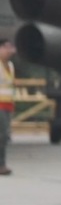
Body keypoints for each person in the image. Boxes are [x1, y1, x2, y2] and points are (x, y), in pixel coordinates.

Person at [0, 38, 16, 176]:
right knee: (2, 135)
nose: (10, 50)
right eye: (6, 47)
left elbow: (10, 86)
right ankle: (1, 165)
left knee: (5, 136)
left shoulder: (10, 66)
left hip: (7, 105)